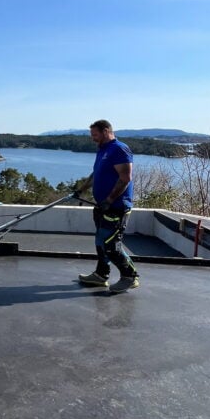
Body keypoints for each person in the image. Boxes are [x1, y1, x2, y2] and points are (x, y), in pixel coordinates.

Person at [77, 120, 140, 292]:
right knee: (100, 242)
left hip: (116, 207)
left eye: (95, 135)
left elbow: (125, 178)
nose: (93, 138)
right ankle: (101, 275)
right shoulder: (103, 150)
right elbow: (96, 173)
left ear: (106, 131)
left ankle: (130, 276)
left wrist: (110, 200)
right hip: (102, 206)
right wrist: (82, 189)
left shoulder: (119, 149)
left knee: (111, 245)